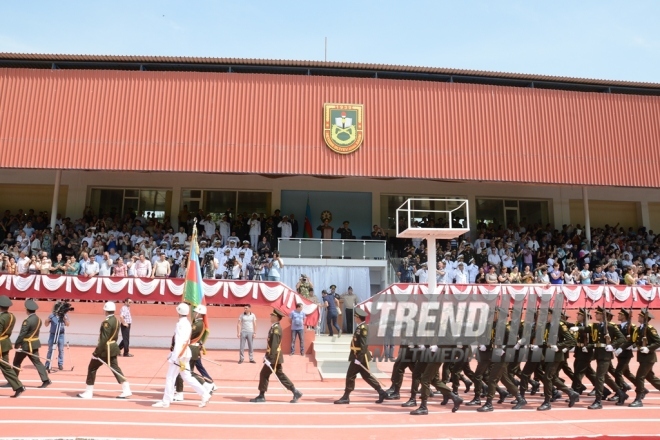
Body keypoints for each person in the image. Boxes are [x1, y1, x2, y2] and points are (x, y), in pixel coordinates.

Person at [152, 303, 212, 408]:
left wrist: (174, 356)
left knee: (170, 377)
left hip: (180, 353)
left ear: (178, 311)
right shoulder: (187, 323)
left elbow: (179, 341)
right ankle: (205, 394)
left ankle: (166, 401)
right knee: (187, 376)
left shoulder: (180, 324)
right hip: (185, 352)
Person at [77, 301, 132, 399]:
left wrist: (96, 353)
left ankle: (88, 392)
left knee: (92, 368)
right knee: (115, 368)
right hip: (112, 348)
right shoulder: (115, 320)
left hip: (105, 350)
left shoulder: (106, 322)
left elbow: (103, 339)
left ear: (105, 311)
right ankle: (126, 389)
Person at [334, 307, 388, 404]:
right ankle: (381, 392)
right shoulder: (360, 327)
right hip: (358, 356)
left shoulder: (363, 329)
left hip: (359, 357)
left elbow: (364, 345)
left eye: (355, 317)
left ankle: (346, 397)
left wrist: (359, 359)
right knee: (366, 376)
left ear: (359, 318)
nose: (355, 318)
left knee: (350, 375)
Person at [250, 309, 303, 403]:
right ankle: (295, 391)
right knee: (280, 375)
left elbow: (274, 344)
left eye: (272, 315)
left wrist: (269, 358)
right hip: (274, 357)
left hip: (274, 357)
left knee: (264, 374)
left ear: (276, 317)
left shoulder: (276, 329)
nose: (270, 316)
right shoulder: (274, 327)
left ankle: (262, 396)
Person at [12, 299, 51, 388]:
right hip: (34, 344)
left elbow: (22, 334)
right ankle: (46, 380)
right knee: (37, 362)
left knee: (16, 362)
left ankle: (13, 381)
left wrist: (17, 344)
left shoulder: (28, 321)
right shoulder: (38, 319)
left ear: (27, 310)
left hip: (25, 345)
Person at [628, 308, 660, 407]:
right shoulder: (639, 328)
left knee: (639, 377)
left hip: (648, 357)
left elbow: (658, 341)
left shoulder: (649, 329)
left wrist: (648, 348)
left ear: (644, 318)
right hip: (642, 357)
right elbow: (634, 341)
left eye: (640, 316)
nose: (638, 317)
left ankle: (638, 399)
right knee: (650, 377)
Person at [0, 295, 25, 397]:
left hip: (0, 345)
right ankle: (18, 386)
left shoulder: (1, 318)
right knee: (6, 367)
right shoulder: (11, 316)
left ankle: (19, 386)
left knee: (5, 366)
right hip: (5, 342)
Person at [45, 302, 70, 372]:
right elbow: (46, 324)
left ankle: (60, 364)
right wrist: (47, 320)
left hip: (61, 335)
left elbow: (68, 324)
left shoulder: (65, 315)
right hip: (52, 334)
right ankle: (47, 364)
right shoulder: (52, 315)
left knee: (61, 350)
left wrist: (64, 318)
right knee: (50, 349)